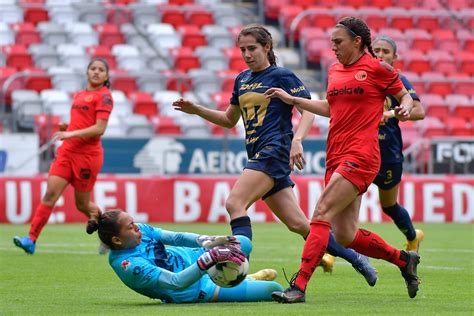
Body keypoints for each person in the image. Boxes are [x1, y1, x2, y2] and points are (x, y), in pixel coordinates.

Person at [172, 24, 377, 285]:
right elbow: (228, 119)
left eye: (252, 48)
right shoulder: (242, 79)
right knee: (300, 226)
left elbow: (308, 111)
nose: (247, 54)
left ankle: (237, 266)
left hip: (274, 152)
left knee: (235, 203)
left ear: (267, 47)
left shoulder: (281, 75)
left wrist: (298, 141)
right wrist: (197, 110)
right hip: (259, 153)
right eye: (243, 50)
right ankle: (356, 258)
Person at [266, 17, 421, 303]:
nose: (332, 47)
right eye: (331, 42)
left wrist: (404, 110)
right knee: (347, 235)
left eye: (338, 42)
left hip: (362, 155)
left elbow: (407, 99)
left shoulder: (378, 68)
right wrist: (293, 100)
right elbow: (329, 107)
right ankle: (404, 260)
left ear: (357, 41)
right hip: (335, 155)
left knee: (321, 212)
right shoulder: (335, 70)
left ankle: (298, 286)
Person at [13, 58, 114, 255]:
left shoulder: (105, 97)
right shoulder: (80, 94)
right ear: (87, 72)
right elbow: (83, 122)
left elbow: (99, 128)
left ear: (106, 76)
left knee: (83, 205)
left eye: (101, 70)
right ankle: (31, 239)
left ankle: (109, 236)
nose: (96, 72)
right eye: (92, 68)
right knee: (50, 194)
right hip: (67, 153)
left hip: (87, 156)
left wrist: (71, 133)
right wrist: (68, 127)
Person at [94, 209, 283, 303]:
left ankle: (241, 277)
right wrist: (210, 260)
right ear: (117, 241)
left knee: (243, 242)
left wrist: (207, 241)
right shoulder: (129, 265)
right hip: (195, 288)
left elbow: (175, 237)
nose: (137, 227)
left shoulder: (140, 231)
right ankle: (242, 278)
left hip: (194, 256)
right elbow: (176, 282)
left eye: (133, 222)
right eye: (130, 227)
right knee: (274, 289)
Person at [372, 35, 426, 252]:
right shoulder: (361, 77)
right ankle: (329, 252)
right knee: (342, 202)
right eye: (376, 50)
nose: (380, 55)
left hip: (388, 155)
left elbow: (419, 112)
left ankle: (413, 237)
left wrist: (393, 113)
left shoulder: (399, 80)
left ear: (395, 57)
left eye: (386, 51)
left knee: (389, 206)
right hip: (362, 151)